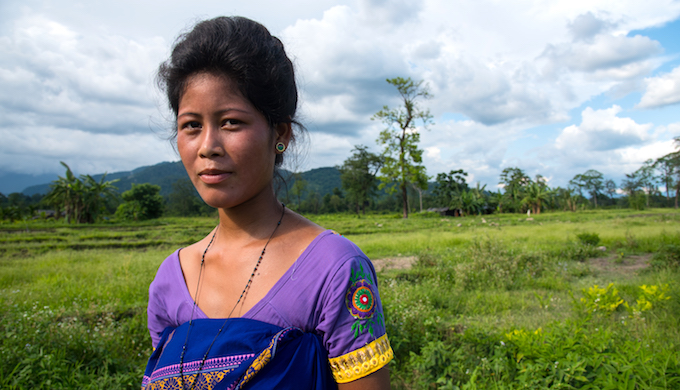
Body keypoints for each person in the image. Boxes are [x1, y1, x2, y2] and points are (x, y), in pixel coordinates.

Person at [141, 16, 392, 390]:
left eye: (230, 122)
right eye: (191, 125)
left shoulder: (335, 270)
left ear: (281, 134)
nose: (208, 146)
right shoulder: (170, 281)